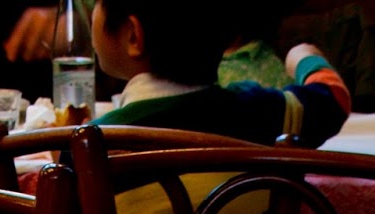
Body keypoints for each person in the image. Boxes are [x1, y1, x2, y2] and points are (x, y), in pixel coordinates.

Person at [90, 0, 349, 144]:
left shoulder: (92, 144)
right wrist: (304, 58)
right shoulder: (257, 111)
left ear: (134, 36)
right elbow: (333, 100)